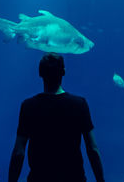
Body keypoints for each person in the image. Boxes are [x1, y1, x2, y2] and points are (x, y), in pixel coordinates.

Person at [9, 52, 105, 182]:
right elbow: (92, 149)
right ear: (63, 72)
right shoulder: (79, 104)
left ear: (40, 73)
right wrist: (101, 180)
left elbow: (19, 152)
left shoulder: (29, 106)